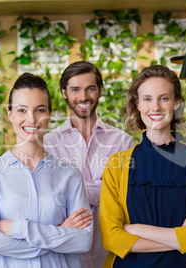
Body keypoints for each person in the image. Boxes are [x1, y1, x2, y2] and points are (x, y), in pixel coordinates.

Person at [99, 65, 186, 268]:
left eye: (164, 98)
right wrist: (181, 236)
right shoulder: (116, 165)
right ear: (137, 104)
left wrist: (135, 229)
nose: (155, 107)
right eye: (147, 99)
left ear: (177, 103)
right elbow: (111, 238)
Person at [0, 73, 93, 267]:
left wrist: (21, 229)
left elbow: (82, 241)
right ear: (10, 115)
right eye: (22, 110)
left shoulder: (70, 175)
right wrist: (58, 233)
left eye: (40, 110)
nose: (31, 119)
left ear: (50, 114)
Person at [44, 61, 134, 268]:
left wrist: (75, 187)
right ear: (64, 93)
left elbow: (125, 198)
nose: (83, 97)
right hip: (66, 254)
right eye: (75, 89)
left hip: (111, 254)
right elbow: (50, 198)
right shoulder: (48, 143)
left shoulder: (121, 141)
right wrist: (103, 188)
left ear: (100, 91)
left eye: (90, 88)